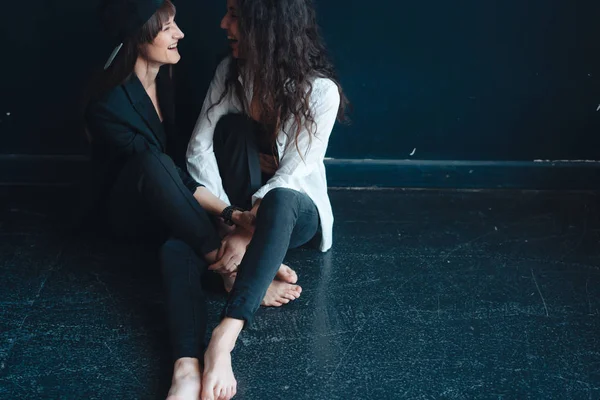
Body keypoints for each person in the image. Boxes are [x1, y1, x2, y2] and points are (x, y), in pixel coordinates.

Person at [84, 1, 301, 399]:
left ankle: (186, 368)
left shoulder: (167, 76)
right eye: (168, 28)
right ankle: (230, 266)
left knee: (177, 246)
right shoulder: (108, 102)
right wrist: (231, 222)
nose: (180, 33)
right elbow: (161, 169)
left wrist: (232, 214)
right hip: (129, 212)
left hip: (173, 205)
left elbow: (181, 165)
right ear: (138, 37)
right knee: (152, 162)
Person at [184, 0, 348, 398]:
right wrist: (232, 221)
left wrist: (243, 233)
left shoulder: (320, 91)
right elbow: (198, 148)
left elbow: (291, 175)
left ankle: (225, 335)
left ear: (269, 25)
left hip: (294, 211)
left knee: (282, 198)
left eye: (236, 15)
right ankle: (250, 270)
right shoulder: (230, 72)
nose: (224, 23)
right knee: (233, 128)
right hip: (238, 208)